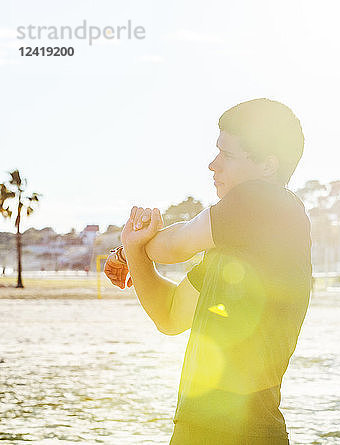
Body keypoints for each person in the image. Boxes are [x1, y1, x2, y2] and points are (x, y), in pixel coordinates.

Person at [104, 99, 311, 445]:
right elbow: (170, 316)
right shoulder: (235, 245)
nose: (213, 165)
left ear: (267, 166)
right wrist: (135, 256)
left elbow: (175, 244)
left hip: (242, 433)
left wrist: (135, 244)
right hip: (197, 429)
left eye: (228, 155)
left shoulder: (266, 201)